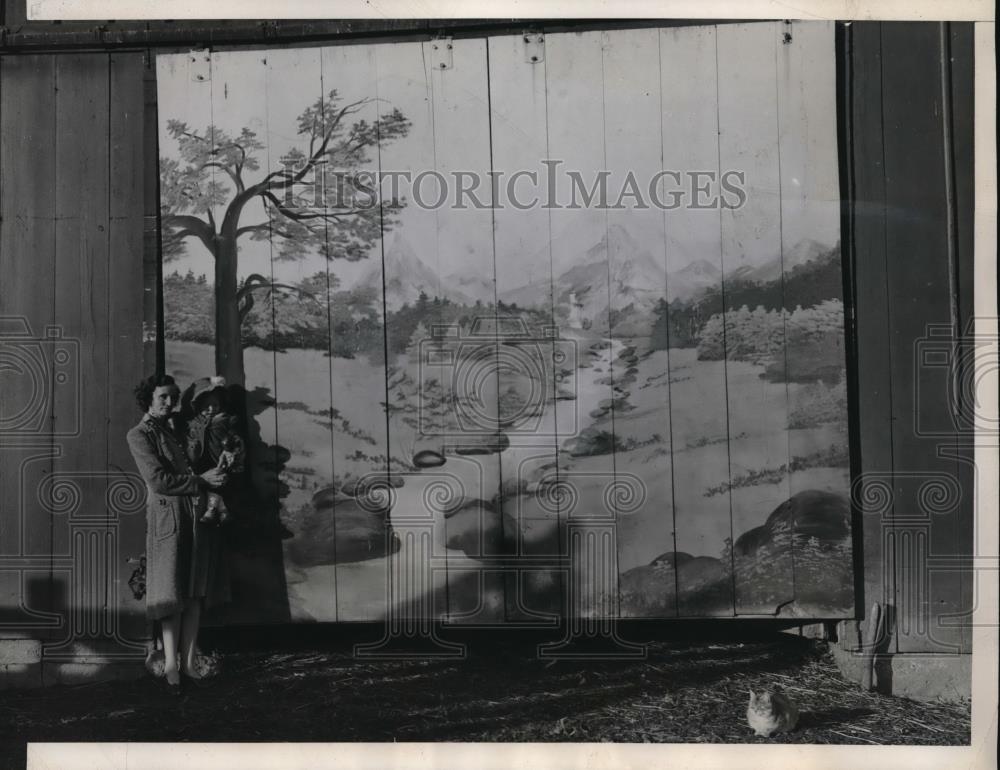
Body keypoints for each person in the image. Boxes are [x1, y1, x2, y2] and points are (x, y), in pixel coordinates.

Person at [126, 374, 229, 690]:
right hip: (168, 520)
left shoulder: (177, 429)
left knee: (195, 590)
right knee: (171, 594)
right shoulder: (139, 435)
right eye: (163, 398)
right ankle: (171, 665)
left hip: (196, 516)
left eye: (173, 397)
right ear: (149, 400)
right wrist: (201, 481)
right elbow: (158, 480)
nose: (170, 403)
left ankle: (188, 664)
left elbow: (195, 463)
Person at [183, 376, 246, 526]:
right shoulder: (193, 423)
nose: (211, 409)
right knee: (210, 484)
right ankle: (220, 511)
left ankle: (214, 510)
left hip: (221, 461)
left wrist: (233, 451)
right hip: (202, 463)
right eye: (206, 406)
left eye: (215, 405)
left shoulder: (225, 420)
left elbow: (235, 437)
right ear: (197, 405)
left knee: (221, 483)